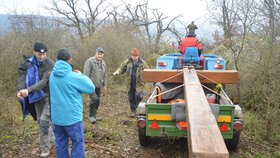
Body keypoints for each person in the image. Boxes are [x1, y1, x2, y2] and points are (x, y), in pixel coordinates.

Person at [49, 48, 95, 158]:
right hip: (72, 118)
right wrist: (81, 75)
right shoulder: (74, 76)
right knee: (77, 143)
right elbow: (91, 88)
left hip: (57, 118)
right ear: (70, 60)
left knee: (60, 144)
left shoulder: (51, 75)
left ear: (57, 60)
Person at [17, 41, 54, 157]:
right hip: (36, 97)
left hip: (49, 95)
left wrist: (28, 90)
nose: (42, 57)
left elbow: (44, 82)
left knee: (44, 120)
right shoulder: (28, 63)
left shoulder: (50, 64)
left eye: (44, 54)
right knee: (40, 121)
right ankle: (52, 139)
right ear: (34, 53)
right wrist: (21, 90)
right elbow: (22, 78)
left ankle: (45, 149)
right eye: (39, 54)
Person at [113, 48, 149, 118]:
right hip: (130, 83)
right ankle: (133, 112)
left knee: (139, 96)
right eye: (133, 56)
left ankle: (136, 107)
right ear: (131, 56)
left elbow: (147, 71)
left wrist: (147, 79)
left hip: (139, 84)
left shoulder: (142, 63)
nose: (134, 57)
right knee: (131, 98)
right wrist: (117, 72)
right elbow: (121, 68)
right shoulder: (127, 62)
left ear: (138, 56)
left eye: (136, 56)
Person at [83, 47, 107, 124]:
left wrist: (105, 85)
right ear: (95, 53)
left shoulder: (103, 63)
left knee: (98, 101)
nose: (100, 55)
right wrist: (87, 85)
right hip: (91, 85)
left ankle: (95, 115)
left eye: (101, 54)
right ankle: (91, 116)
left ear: (103, 55)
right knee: (94, 99)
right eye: (98, 54)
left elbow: (105, 75)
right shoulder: (89, 61)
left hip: (99, 85)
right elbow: (86, 75)